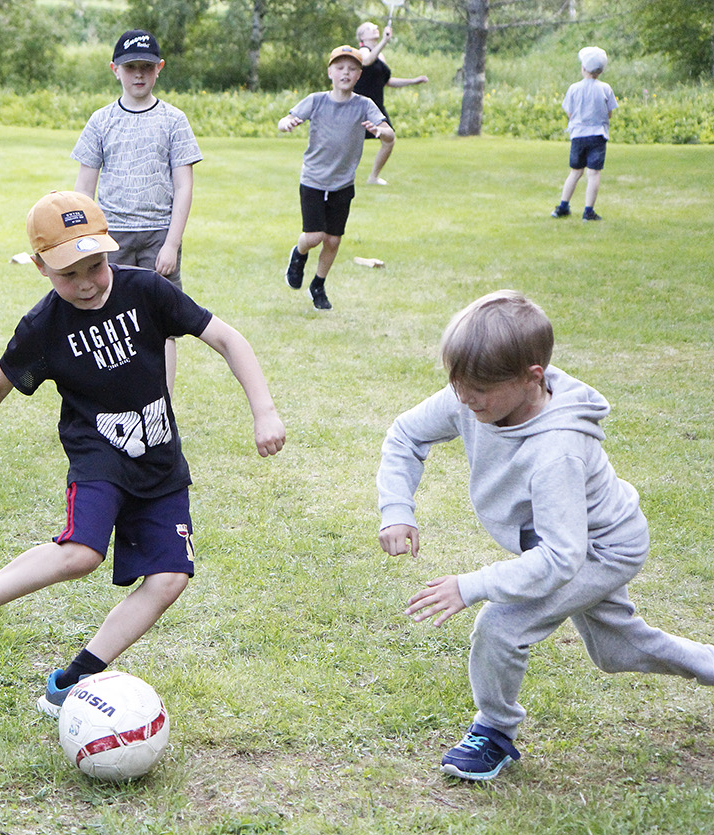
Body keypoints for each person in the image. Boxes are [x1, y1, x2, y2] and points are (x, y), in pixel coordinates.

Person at [0, 191, 285, 717]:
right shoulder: (42, 328)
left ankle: (70, 682)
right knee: (82, 553)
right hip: (99, 455)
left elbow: (228, 339)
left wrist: (264, 410)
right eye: (69, 274)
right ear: (40, 268)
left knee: (169, 579)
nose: (88, 283)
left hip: (160, 459)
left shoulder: (146, 291)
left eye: (95, 265)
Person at [377, 290, 714, 782]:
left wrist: (471, 586)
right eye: (456, 383)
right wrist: (396, 509)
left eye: (477, 389)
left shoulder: (558, 450)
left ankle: (493, 732)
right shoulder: (471, 395)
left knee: (500, 626)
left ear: (532, 377)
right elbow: (406, 435)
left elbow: (561, 557)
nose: (464, 398)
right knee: (617, 650)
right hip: (561, 544)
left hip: (601, 549)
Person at [72, 29, 203, 394]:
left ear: (159, 68)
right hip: (110, 238)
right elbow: (84, 189)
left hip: (159, 234)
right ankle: (108, 396)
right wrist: (86, 241)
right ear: (115, 70)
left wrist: (171, 245)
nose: (139, 74)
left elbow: (183, 186)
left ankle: (163, 402)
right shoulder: (101, 121)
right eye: (131, 67)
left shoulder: (174, 120)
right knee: (105, 321)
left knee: (162, 323)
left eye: (147, 66)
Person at [277, 46, 393, 311]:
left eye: (352, 69)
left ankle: (318, 285)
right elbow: (286, 119)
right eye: (340, 67)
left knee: (333, 240)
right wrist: (287, 124)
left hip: (343, 183)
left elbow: (389, 135)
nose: (345, 73)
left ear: (358, 75)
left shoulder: (364, 105)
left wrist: (380, 131)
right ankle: (299, 254)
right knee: (314, 235)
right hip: (314, 180)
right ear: (330, 72)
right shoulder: (316, 100)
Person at [353, 21, 428, 185]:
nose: (375, 28)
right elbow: (366, 62)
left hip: (376, 106)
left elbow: (387, 81)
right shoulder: (362, 51)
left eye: (375, 27)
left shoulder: (380, 55)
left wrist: (413, 81)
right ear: (362, 36)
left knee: (389, 138)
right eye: (369, 28)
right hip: (358, 104)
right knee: (347, 141)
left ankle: (373, 177)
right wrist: (384, 42)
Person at [552, 46, 617, 221]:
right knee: (594, 173)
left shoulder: (574, 88)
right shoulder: (605, 88)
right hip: (598, 135)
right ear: (600, 71)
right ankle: (588, 211)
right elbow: (609, 112)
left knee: (575, 171)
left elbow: (570, 113)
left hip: (578, 135)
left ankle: (563, 206)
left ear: (583, 68)